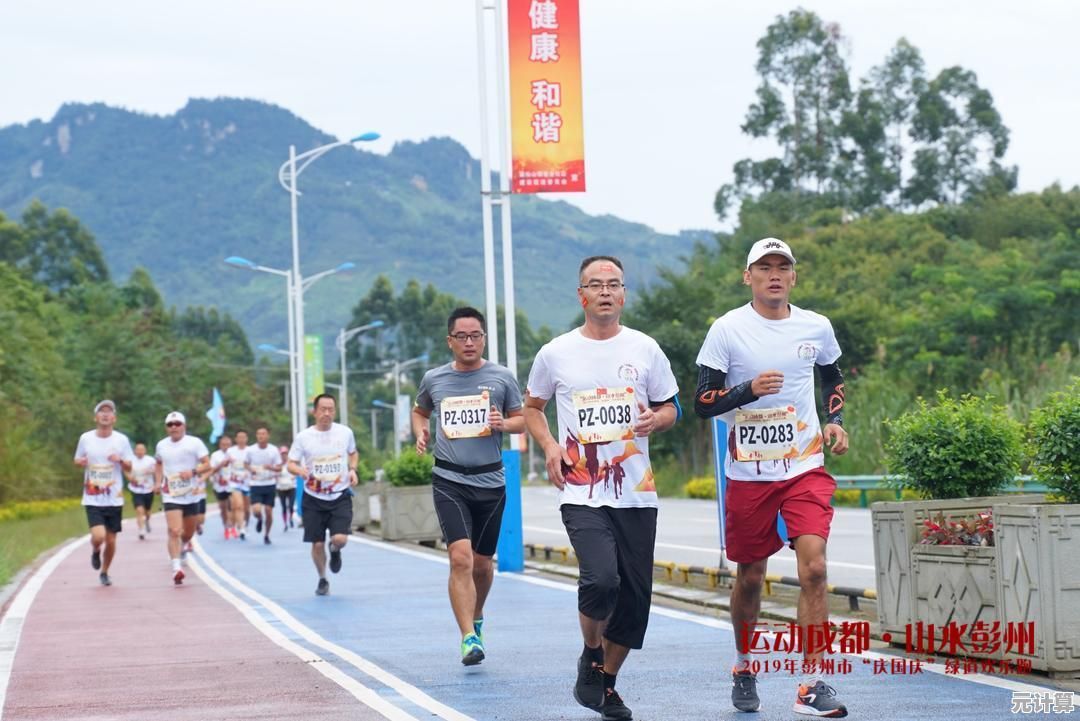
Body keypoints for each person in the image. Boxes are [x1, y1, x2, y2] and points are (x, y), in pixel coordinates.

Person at [694, 237, 849, 718]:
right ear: (749, 277)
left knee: (815, 569)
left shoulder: (816, 326)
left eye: (783, 267)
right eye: (764, 267)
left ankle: (811, 683)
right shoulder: (726, 329)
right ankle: (744, 664)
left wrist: (835, 419)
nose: (774, 274)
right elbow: (702, 402)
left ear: (794, 276)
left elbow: (832, 376)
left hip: (803, 465)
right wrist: (747, 390)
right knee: (751, 576)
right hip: (749, 472)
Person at [524, 256, 680, 721]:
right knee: (601, 578)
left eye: (614, 284)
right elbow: (532, 407)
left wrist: (656, 419)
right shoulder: (556, 353)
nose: (606, 292)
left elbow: (671, 407)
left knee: (634, 599)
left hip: (637, 492)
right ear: (582, 295)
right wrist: (550, 446)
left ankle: (606, 683)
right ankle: (591, 653)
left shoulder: (645, 349)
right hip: (582, 490)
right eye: (596, 285)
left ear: (624, 294)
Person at [412, 306, 525, 666]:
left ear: (484, 338)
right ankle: (467, 637)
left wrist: (503, 423)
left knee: (482, 564)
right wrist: (421, 432)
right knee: (460, 558)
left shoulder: (502, 377)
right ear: (450, 341)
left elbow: (523, 419)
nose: (469, 342)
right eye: (461, 336)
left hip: (490, 481)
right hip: (449, 480)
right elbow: (419, 411)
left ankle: (477, 617)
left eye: (475, 335)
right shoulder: (434, 379)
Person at [287, 394, 359, 596]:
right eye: (323, 409)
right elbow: (290, 463)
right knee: (317, 544)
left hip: (339, 495)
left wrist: (353, 470)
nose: (327, 413)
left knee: (340, 539)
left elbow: (353, 453)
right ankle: (322, 578)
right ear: (315, 412)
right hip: (313, 497)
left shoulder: (345, 432)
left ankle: (335, 550)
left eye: (331, 409)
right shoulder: (303, 437)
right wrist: (299, 470)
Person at [74, 400, 134, 586]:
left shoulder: (121, 440)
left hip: (114, 498)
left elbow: (129, 466)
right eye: (102, 411)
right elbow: (76, 459)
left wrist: (120, 460)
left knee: (111, 540)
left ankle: (105, 572)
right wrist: (81, 462)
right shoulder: (86, 438)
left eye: (109, 412)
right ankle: (95, 550)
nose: (105, 414)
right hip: (92, 496)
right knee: (99, 536)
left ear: (114, 418)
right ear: (96, 417)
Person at [153, 411, 210, 585]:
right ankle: (176, 567)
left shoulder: (194, 443)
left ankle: (183, 545)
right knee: (174, 530)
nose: (174, 427)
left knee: (187, 533)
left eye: (177, 424)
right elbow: (158, 463)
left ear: (184, 426)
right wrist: (157, 482)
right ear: (166, 428)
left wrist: (193, 472)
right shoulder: (161, 445)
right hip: (171, 494)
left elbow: (207, 464)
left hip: (191, 495)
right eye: (170, 425)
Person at [246, 426, 282, 544]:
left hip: (269, 483)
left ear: (268, 436)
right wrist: (251, 469)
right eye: (259, 434)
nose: (261, 436)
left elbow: (279, 468)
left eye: (263, 434)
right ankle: (259, 519)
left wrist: (270, 467)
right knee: (256, 510)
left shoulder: (273, 450)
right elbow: (245, 464)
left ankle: (267, 535)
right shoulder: (251, 450)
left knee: (268, 511)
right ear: (256, 436)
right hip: (256, 483)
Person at [125, 442, 157, 540]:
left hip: (148, 489)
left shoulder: (150, 460)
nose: (140, 452)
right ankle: (141, 530)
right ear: (135, 451)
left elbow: (157, 470)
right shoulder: (130, 460)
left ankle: (147, 520)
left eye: (142, 450)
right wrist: (130, 478)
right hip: (136, 489)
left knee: (147, 511)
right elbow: (125, 470)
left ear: (145, 451)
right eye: (138, 450)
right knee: (139, 510)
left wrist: (152, 472)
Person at [226, 429, 252, 540]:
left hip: (248, 482)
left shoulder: (251, 451)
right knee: (238, 505)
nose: (241, 439)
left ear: (247, 439)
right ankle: (241, 528)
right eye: (239, 437)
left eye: (243, 437)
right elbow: (226, 466)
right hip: (234, 482)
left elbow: (254, 465)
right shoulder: (230, 451)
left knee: (247, 508)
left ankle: (245, 525)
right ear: (236, 439)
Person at [208, 435, 234, 539]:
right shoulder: (215, 455)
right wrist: (221, 464)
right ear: (220, 445)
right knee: (223, 508)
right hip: (219, 485)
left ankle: (232, 525)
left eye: (228, 444)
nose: (226, 447)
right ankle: (226, 526)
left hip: (232, 484)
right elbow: (211, 470)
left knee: (233, 505)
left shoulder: (234, 454)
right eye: (224, 444)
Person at [276, 445, 297, 530]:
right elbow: (275, 475)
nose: (284, 455)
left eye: (285, 453)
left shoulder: (292, 463)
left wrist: (294, 476)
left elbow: (296, 472)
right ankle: (285, 524)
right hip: (281, 488)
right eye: (282, 454)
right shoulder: (278, 464)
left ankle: (290, 518)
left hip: (291, 487)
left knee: (291, 505)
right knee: (284, 506)